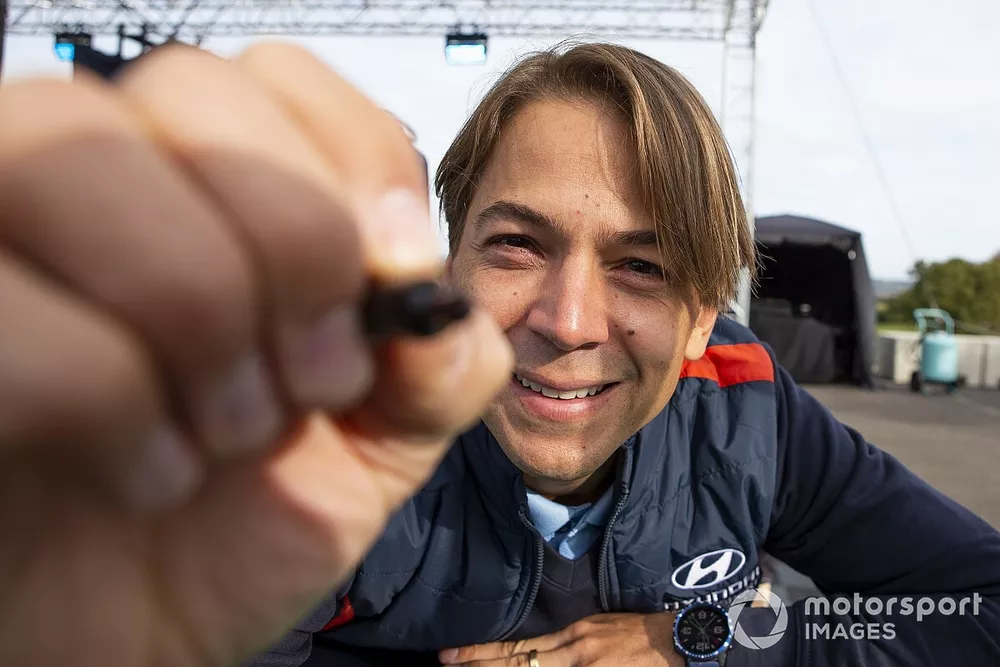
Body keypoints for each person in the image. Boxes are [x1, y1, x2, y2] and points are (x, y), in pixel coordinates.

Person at [0, 40, 992, 667]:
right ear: (448, 261)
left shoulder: (747, 401)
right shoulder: (328, 432)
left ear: (702, 317)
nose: (567, 319)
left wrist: (709, 637)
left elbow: (976, 603)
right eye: (516, 244)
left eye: (640, 266)